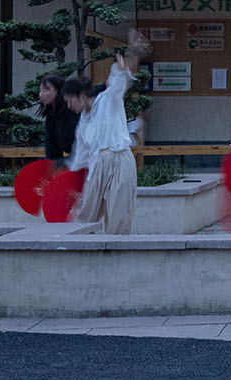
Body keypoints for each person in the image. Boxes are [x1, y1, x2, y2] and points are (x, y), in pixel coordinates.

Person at [64, 27, 149, 235]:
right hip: (98, 165)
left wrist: (132, 52)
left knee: (119, 217)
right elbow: (80, 158)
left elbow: (119, 79)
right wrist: (67, 181)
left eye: (70, 100)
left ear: (81, 95)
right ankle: (78, 251)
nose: (69, 106)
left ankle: (118, 251)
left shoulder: (108, 99)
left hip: (120, 157)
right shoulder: (83, 124)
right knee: (85, 216)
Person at [37, 72, 77, 162]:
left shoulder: (73, 111)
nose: (41, 94)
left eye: (46, 90)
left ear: (59, 91)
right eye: (40, 91)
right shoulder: (50, 119)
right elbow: (52, 154)